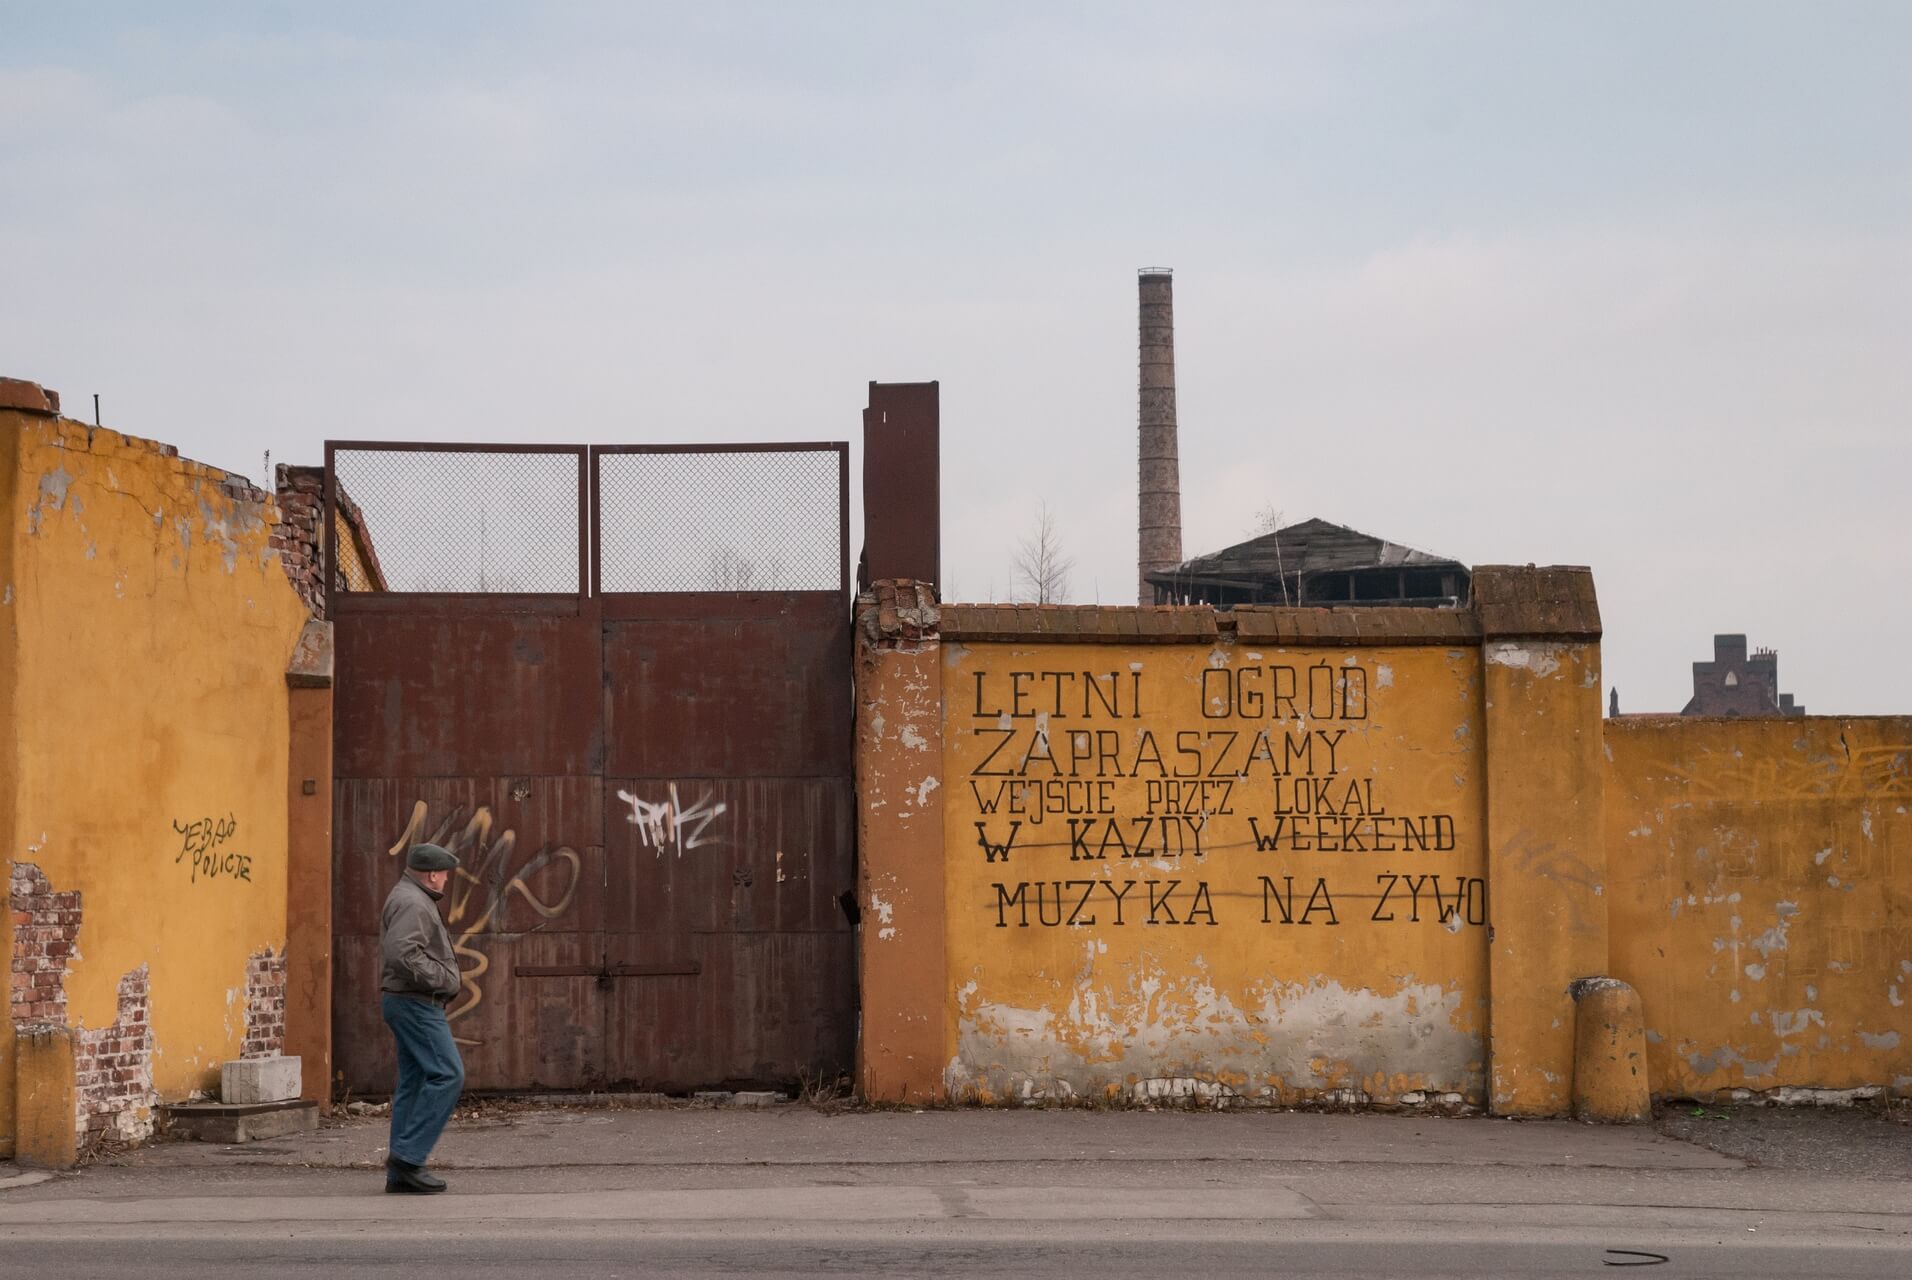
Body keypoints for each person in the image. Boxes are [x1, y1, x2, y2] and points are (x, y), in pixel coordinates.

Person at [379, 842, 465, 1193]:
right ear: (432, 874)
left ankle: (401, 1175)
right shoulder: (415, 902)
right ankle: (409, 1157)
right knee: (449, 1074)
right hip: (416, 1003)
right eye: (444, 873)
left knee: (414, 1082)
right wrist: (442, 979)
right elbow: (401, 952)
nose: (446, 879)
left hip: (405, 1001)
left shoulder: (409, 897)